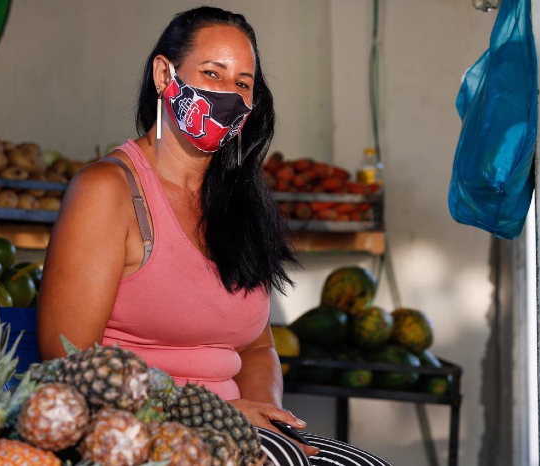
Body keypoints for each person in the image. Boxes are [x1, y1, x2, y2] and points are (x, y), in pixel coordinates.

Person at [37, 6, 391, 466]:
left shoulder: (240, 202)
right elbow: (67, 361)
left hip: (231, 428)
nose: (229, 94)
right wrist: (218, 414)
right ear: (165, 75)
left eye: (243, 83)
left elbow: (258, 346)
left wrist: (266, 416)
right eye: (211, 73)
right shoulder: (108, 192)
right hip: (135, 431)